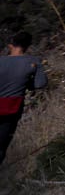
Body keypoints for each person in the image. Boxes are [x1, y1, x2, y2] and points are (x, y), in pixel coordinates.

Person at [0, 31, 48, 165]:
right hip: (12, 109)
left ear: (10, 45)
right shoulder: (34, 62)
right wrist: (26, 84)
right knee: (1, 146)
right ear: (27, 46)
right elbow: (40, 83)